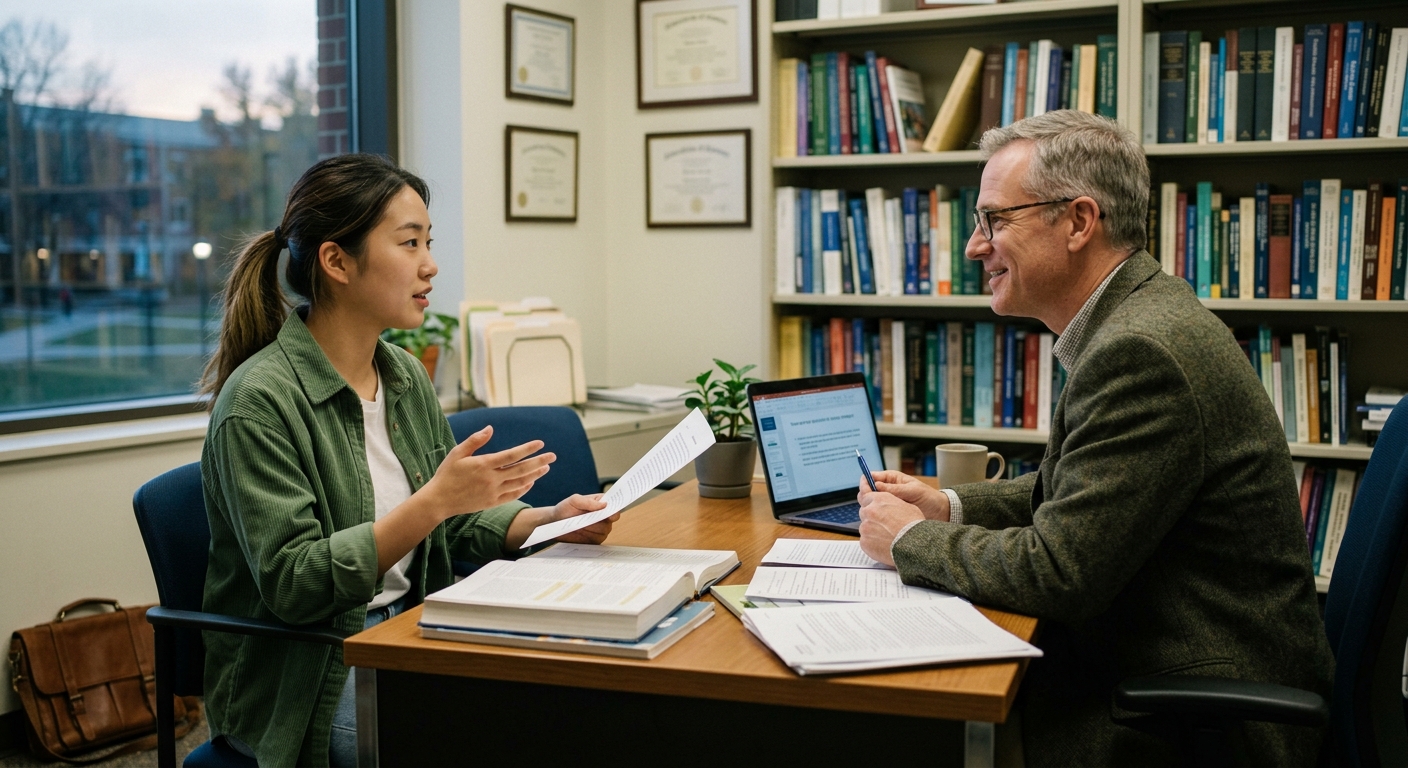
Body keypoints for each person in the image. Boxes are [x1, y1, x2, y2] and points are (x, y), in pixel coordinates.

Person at [855, 111, 1334, 766]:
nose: (975, 246)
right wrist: (949, 507)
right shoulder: (1138, 317)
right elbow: (1077, 492)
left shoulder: (1141, 349)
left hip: (1190, 712)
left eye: (995, 220)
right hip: (1170, 665)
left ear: (1079, 221)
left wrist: (908, 541)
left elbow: (1061, 571)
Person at [198, 153, 618, 767]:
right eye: (409, 242)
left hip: (411, 630)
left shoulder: (399, 374)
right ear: (336, 261)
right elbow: (295, 585)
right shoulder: (259, 403)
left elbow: (452, 519)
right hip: (308, 671)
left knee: (576, 700)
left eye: (429, 241)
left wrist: (551, 521)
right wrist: (433, 502)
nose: (431, 264)